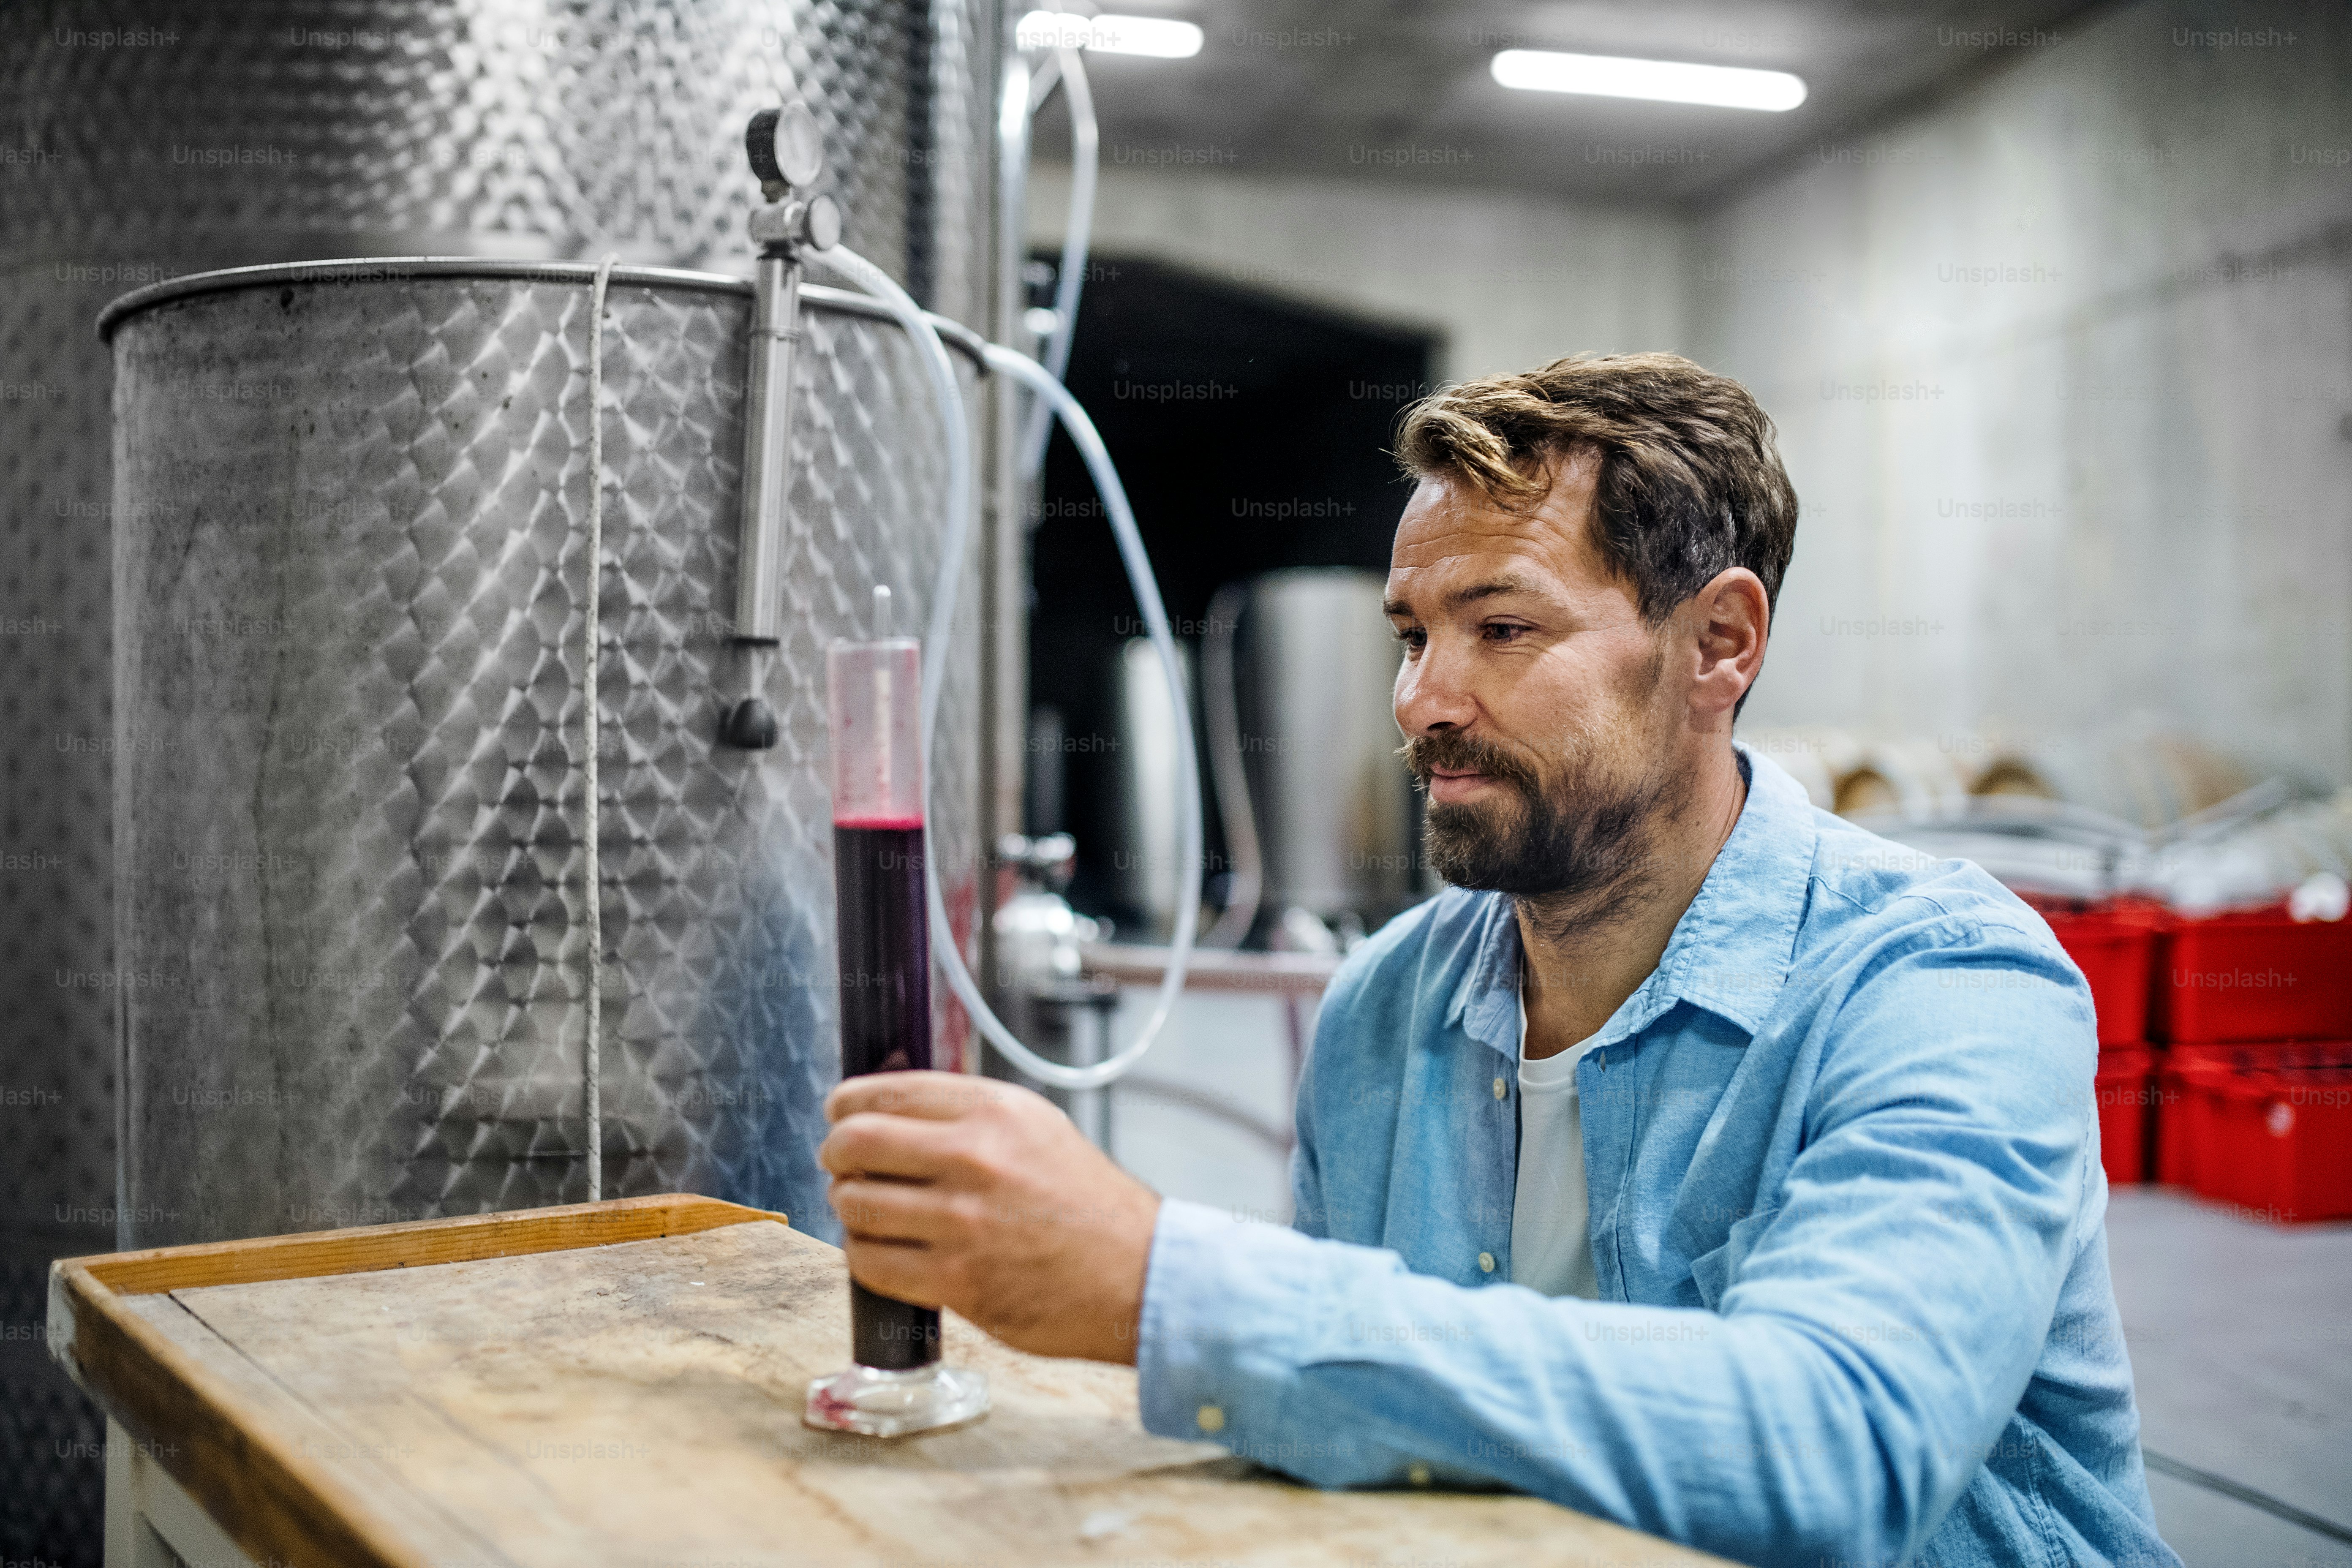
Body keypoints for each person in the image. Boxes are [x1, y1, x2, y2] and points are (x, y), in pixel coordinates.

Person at [819, 353, 2179, 1568]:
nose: (1422, 701)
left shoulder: (1939, 984)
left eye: (1504, 630)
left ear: (1719, 644)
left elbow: (1840, 1446)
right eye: (1414, 636)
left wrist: (1160, 1283)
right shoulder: (1386, 1009)